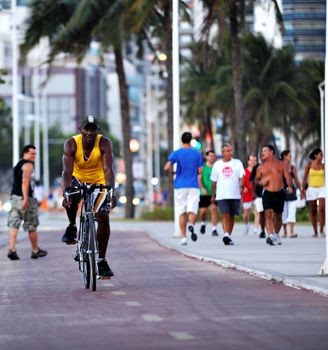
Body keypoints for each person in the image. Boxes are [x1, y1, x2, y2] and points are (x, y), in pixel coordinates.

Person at [61, 115, 116, 279]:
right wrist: (66, 191)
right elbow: (66, 172)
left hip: (98, 181)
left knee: (103, 218)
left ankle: (101, 260)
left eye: (93, 129)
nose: (90, 133)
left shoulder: (104, 143)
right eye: (87, 129)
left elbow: (108, 170)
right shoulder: (71, 144)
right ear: (80, 130)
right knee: (72, 195)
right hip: (77, 179)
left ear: (98, 131)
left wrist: (111, 191)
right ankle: (72, 226)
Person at [7, 145, 48, 260]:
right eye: (32, 153)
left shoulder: (18, 165)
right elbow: (25, 182)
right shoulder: (28, 165)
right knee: (31, 225)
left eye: (35, 154)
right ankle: (35, 250)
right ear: (25, 153)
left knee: (13, 224)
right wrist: (26, 199)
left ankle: (12, 249)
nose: (34, 156)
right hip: (26, 199)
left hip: (14, 198)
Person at [164, 132, 203, 246]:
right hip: (193, 184)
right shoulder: (197, 153)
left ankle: (184, 238)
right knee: (192, 209)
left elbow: (167, 167)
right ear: (191, 140)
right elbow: (200, 171)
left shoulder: (177, 153)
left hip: (180, 185)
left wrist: (173, 172)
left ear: (182, 140)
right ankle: (191, 225)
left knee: (182, 211)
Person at [255, 145, 293, 246]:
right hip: (267, 193)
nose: (262, 153)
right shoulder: (260, 167)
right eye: (262, 151)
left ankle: (276, 234)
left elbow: (287, 177)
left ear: (271, 152)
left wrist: (289, 186)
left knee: (278, 216)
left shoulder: (281, 164)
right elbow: (256, 180)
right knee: (268, 214)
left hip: (280, 192)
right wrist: (261, 182)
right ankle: (271, 235)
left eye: (265, 151)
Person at [210, 144, 245, 246]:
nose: (230, 153)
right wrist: (212, 195)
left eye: (231, 150)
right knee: (225, 214)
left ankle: (228, 235)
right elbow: (213, 182)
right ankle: (225, 234)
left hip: (235, 194)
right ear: (223, 153)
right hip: (222, 194)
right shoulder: (217, 165)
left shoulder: (237, 163)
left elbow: (242, 176)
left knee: (231, 216)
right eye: (228, 151)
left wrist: (242, 186)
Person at [301, 148, 325, 238]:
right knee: (313, 210)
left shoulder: (323, 166)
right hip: (311, 189)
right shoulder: (309, 164)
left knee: (322, 208)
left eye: (322, 155)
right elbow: (305, 177)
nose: (322, 156)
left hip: (322, 188)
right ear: (315, 155)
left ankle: (321, 230)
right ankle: (315, 231)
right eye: (320, 154)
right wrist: (302, 189)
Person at [280, 150, 302, 238]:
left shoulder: (293, 168)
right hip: (282, 192)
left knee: (292, 211)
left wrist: (301, 190)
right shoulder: (280, 166)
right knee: (283, 213)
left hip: (292, 192)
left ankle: (292, 231)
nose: (291, 156)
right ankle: (285, 232)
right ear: (285, 156)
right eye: (289, 155)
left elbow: (296, 180)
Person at [198, 150, 218, 236]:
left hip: (215, 192)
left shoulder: (217, 167)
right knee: (203, 211)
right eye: (210, 156)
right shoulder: (202, 167)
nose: (212, 157)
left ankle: (214, 228)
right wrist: (202, 188)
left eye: (213, 156)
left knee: (214, 209)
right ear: (206, 157)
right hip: (204, 193)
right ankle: (203, 222)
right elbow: (199, 178)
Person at [249, 157, 266, 239]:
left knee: (270, 213)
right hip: (259, 194)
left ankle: (272, 231)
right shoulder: (257, 167)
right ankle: (263, 231)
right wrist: (253, 192)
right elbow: (251, 180)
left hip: (271, 192)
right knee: (262, 213)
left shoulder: (274, 166)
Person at [242, 154, 257, 235]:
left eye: (255, 160)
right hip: (247, 193)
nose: (253, 162)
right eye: (251, 160)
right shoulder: (244, 171)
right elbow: (241, 181)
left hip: (256, 194)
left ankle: (256, 228)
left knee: (257, 211)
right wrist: (243, 187)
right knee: (246, 213)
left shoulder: (258, 170)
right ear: (248, 161)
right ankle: (246, 224)